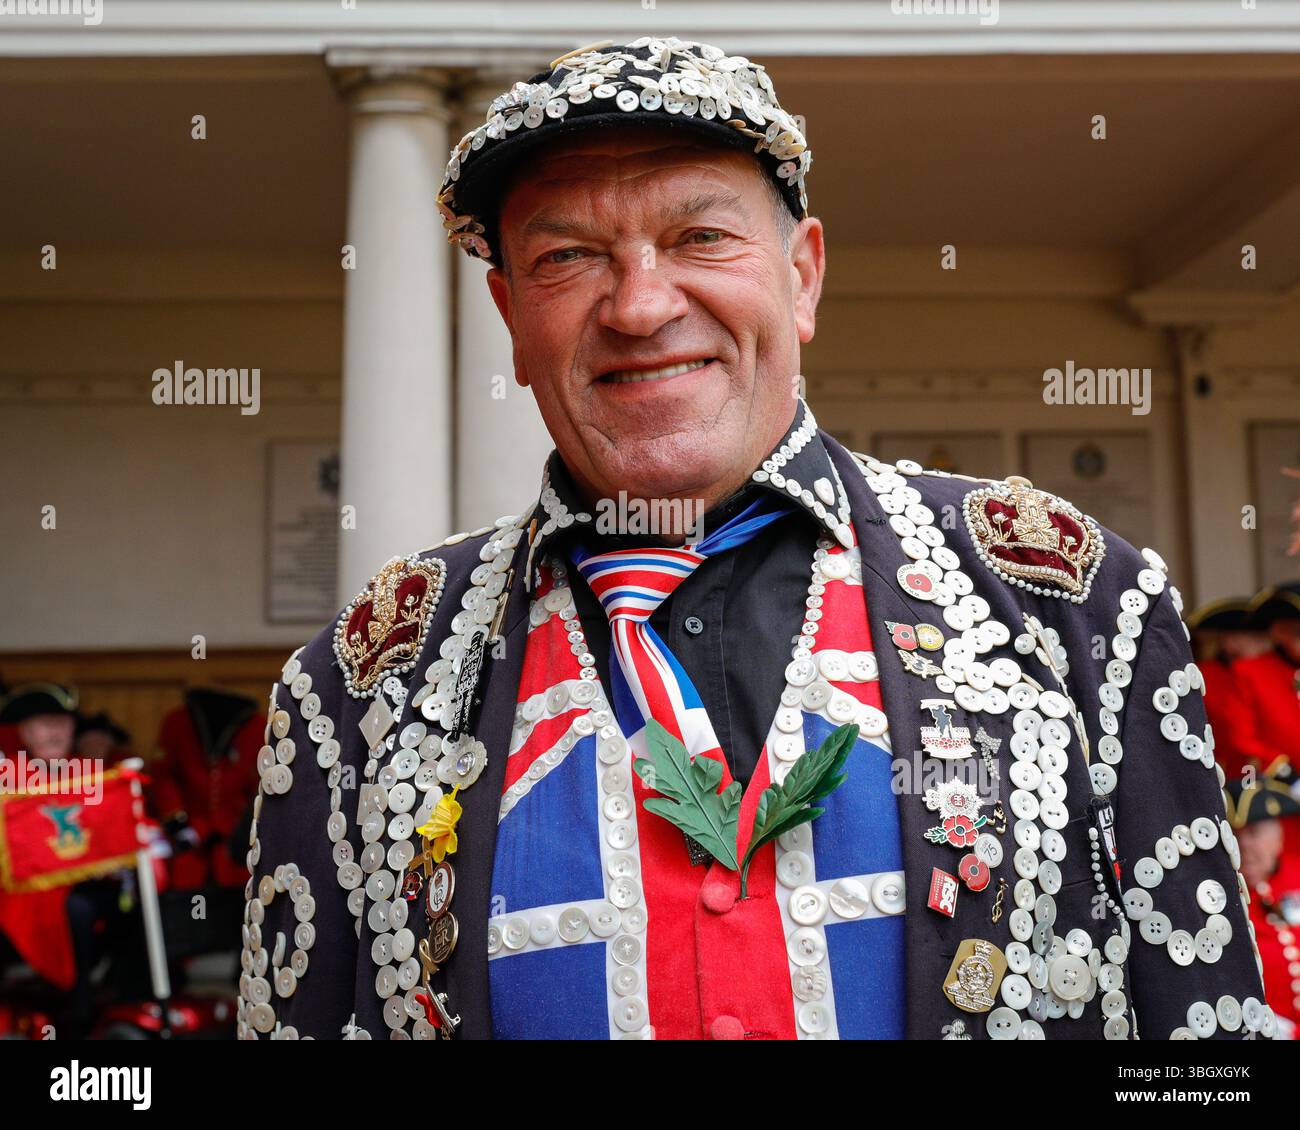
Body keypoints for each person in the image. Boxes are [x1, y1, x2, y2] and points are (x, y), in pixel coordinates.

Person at [239, 36, 1273, 1041]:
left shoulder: (1067, 599)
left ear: (803, 274)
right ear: (510, 314)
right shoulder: (362, 682)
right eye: (567, 256)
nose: (640, 306)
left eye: (700, 237)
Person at [1224, 765, 1300, 1036]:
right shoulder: (1225, 903)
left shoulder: (1295, 875)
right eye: (1234, 835)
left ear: (1278, 837)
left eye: (1255, 832)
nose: (1244, 846)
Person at [1219, 585, 1300, 784]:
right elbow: (1243, 739)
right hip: (1279, 791)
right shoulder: (1250, 672)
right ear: (1279, 632)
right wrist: (1287, 776)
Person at [1187, 597, 1268, 780]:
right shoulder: (1208, 675)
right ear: (1229, 641)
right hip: (1232, 772)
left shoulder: (1271, 672)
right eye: (1256, 637)